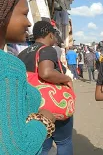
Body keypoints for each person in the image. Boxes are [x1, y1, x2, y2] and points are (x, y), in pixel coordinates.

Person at [0, 0, 55, 154]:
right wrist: (44, 122)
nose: (29, 23)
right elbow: (16, 148)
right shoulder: (8, 66)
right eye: (24, 14)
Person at [18, 21, 74, 155]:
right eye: (55, 36)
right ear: (50, 35)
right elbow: (46, 73)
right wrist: (67, 78)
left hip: (32, 106)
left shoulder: (22, 54)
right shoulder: (47, 49)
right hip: (52, 104)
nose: (55, 39)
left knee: (42, 144)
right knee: (64, 142)